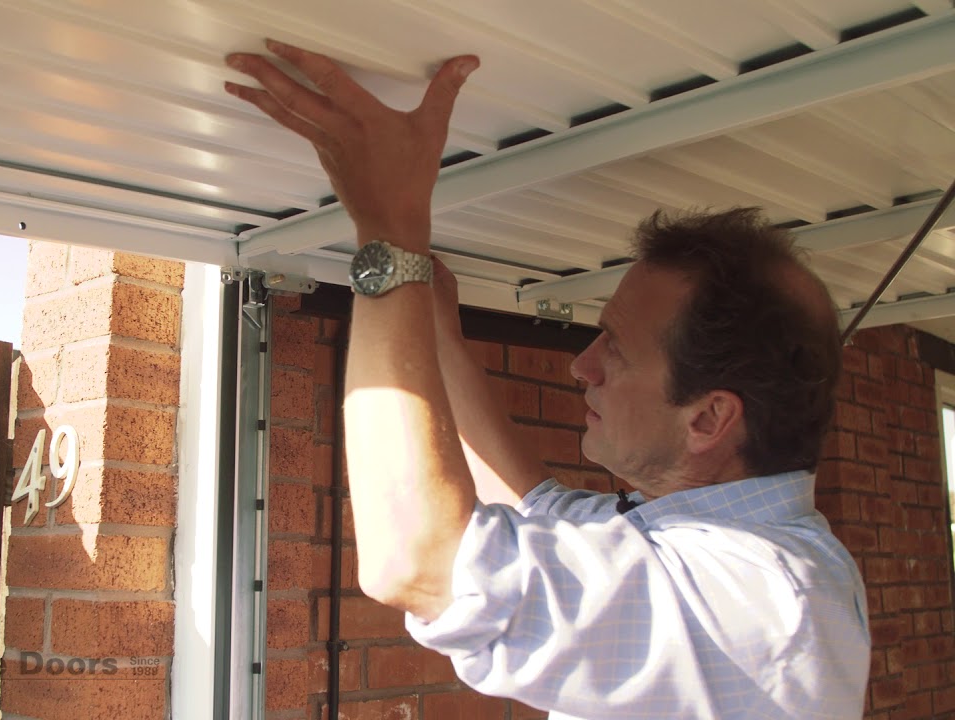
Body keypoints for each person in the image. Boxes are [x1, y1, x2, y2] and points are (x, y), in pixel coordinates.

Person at [225, 40, 870, 719]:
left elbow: (418, 561)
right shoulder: (734, 550)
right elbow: (536, 504)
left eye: (615, 350)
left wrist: (389, 231)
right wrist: (435, 330)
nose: (580, 366)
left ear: (709, 419)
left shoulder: (756, 594)